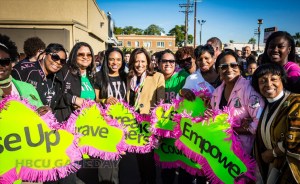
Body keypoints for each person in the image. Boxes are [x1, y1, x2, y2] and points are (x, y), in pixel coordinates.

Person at [252, 63, 300, 183]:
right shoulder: (265, 105)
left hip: (288, 167)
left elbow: (297, 139)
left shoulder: (296, 102)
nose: (268, 84)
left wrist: (273, 153)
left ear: (282, 81)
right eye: (263, 81)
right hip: (270, 166)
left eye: (274, 79)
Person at [210, 50, 265, 156]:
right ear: (218, 70)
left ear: (239, 68)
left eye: (234, 65)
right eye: (224, 66)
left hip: (245, 155)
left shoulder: (249, 89)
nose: (229, 69)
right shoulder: (217, 92)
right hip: (220, 153)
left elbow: (260, 122)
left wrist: (233, 130)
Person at [124, 47, 165, 184]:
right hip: (134, 125)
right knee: (139, 159)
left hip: (148, 125)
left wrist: (158, 127)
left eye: (143, 61)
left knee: (148, 161)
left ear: (148, 62)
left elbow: (160, 104)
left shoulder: (157, 77)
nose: (140, 64)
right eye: (136, 61)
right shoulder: (129, 77)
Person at [94, 47, 126, 184]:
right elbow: (94, 100)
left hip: (122, 125)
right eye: (112, 59)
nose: (115, 62)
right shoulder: (99, 76)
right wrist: (104, 100)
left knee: (117, 163)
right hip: (105, 124)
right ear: (106, 60)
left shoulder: (126, 76)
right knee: (105, 162)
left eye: (118, 59)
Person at [0, 34, 43, 108]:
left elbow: (38, 111)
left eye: (5, 61)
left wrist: (42, 112)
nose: (0, 66)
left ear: (12, 64)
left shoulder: (28, 88)